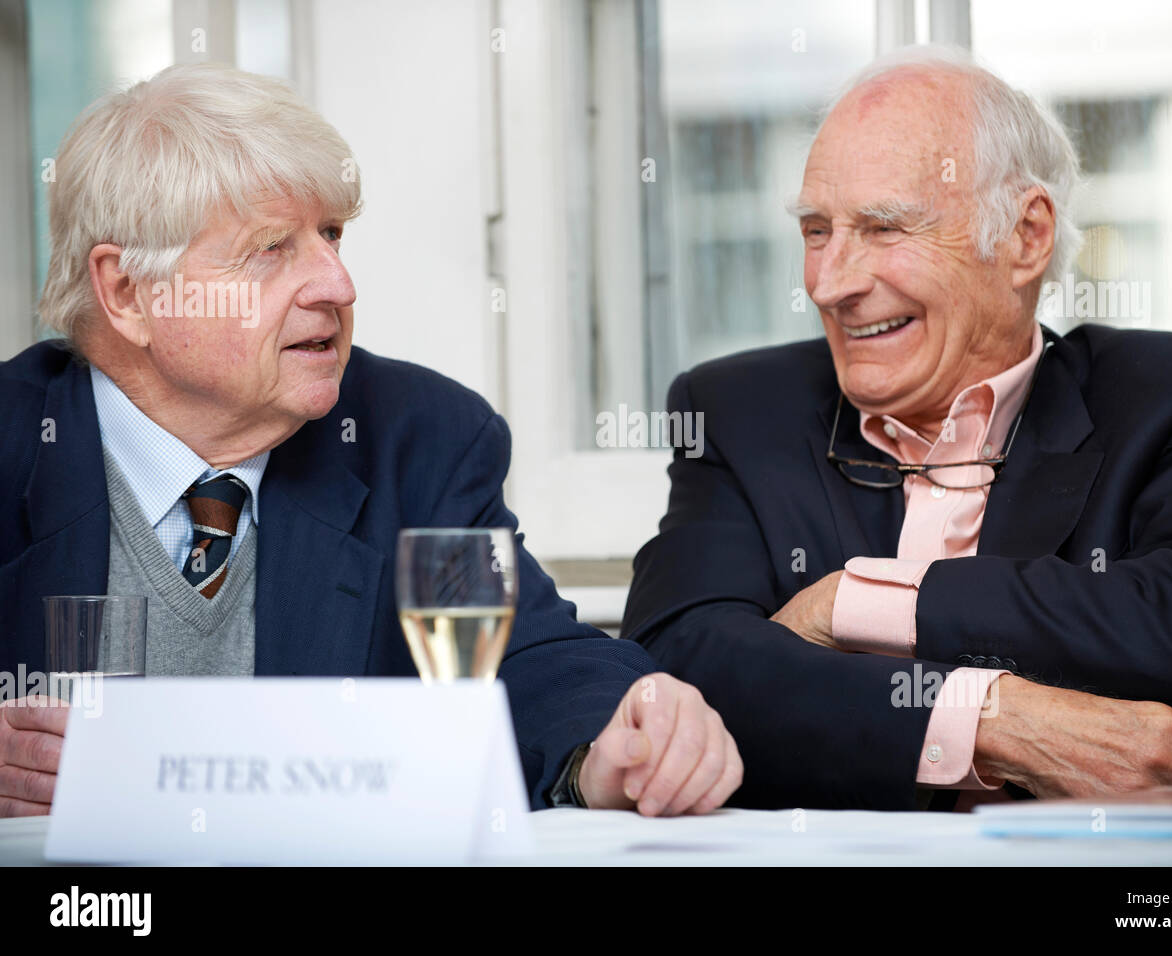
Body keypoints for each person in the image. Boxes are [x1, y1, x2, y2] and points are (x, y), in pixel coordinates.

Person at [0, 63, 741, 819]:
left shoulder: (417, 438)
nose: (338, 284)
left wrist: (614, 747)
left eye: (330, 236)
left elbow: (529, 661)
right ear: (127, 292)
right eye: (271, 249)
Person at [622, 47, 1172, 810]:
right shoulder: (739, 411)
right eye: (816, 230)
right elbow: (680, 660)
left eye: (882, 229)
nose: (829, 282)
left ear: (1025, 235)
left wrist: (857, 601)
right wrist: (991, 720)